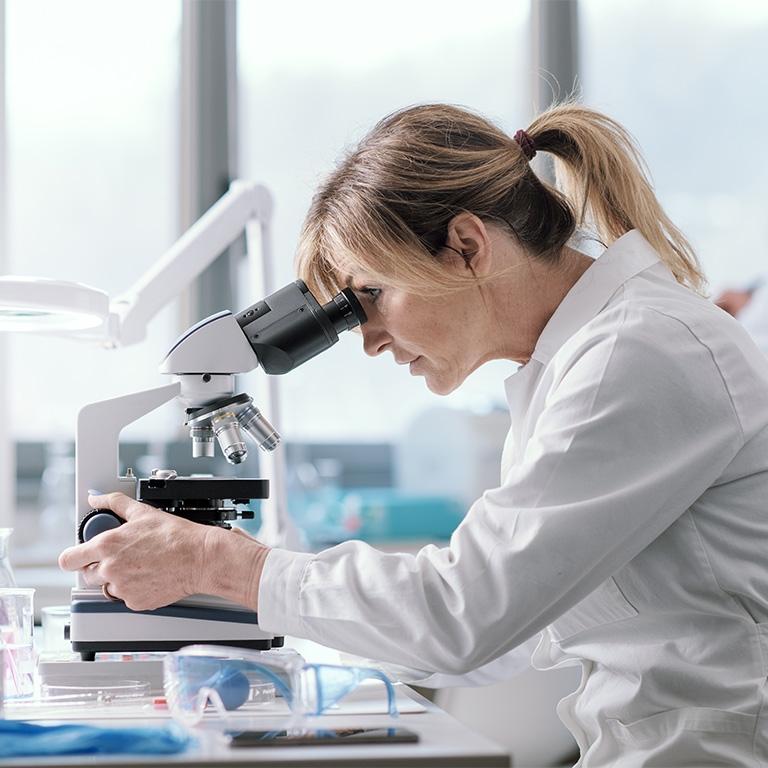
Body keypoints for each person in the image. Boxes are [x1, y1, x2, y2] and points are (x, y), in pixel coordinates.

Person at [59, 103, 768, 767]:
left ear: (465, 245)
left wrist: (224, 566)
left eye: (369, 296)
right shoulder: (577, 361)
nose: (366, 341)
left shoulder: (638, 353)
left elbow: (466, 613)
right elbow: (502, 632)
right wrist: (281, 644)